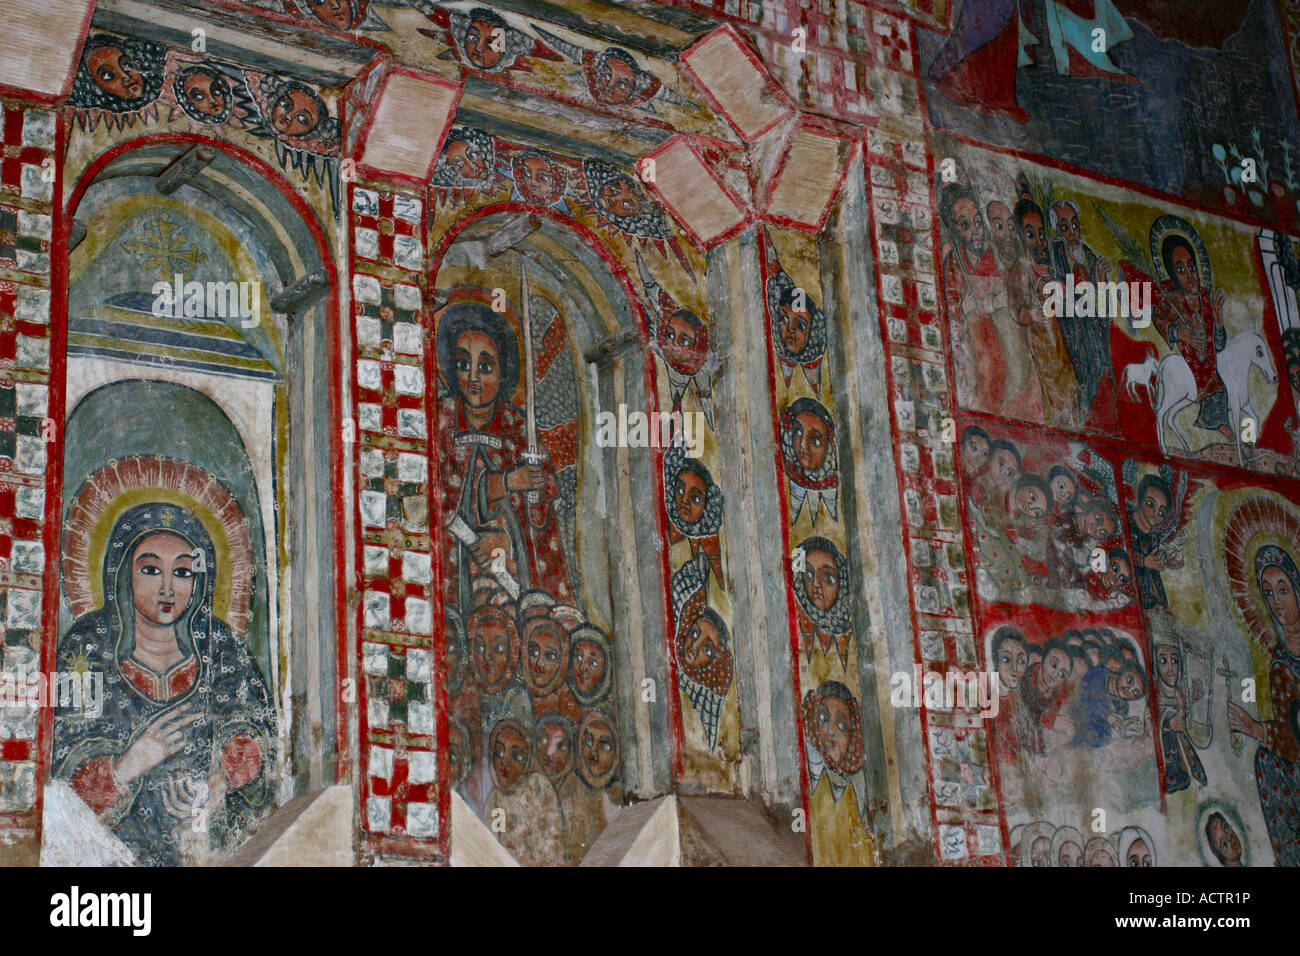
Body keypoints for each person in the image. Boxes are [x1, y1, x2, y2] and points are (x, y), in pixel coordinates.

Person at [51, 503, 275, 866]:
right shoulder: (87, 647)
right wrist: (126, 766)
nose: (168, 587)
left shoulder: (221, 650)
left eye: (183, 572)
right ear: (124, 572)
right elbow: (60, 770)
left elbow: (255, 736)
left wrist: (222, 781)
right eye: (151, 570)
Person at [436, 301, 575, 613]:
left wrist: (535, 488)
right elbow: (436, 495)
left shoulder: (517, 428)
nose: (472, 377)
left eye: (485, 367)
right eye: (462, 364)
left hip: (512, 564)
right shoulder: (441, 420)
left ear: (503, 373)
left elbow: (542, 519)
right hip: (454, 562)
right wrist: (504, 483)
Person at [1228, 545, 1300, 866]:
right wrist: (1256, 730)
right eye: (1268, 592)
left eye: (1283, 589)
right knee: (1267, 763)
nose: (1275, 601)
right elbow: (1293, 742)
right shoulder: (1281, 667)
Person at [1152, 234, 1232, 442]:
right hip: (1190, 369)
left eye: (1191, 267)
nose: (1190, 275)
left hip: (1211, 370)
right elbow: (1158, 319)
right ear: (1172, 274)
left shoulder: (1207, 298)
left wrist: (1218, 318)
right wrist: (1179, 333)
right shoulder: (1172, 301)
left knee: (1223, 387)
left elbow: (1220, 344)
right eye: (1181, 270)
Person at [1008, 197, 1080, 426]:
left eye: (1041, 234)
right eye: (1030, 235)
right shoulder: (1021, 269)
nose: (1039, 241)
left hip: (1061, 347)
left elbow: (1073, 301)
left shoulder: (1055, 266)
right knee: (1052, 402)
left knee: (1071, 391)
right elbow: (1017, 310)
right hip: (1040, 350)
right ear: (1019, 236)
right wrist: (1033, 314)